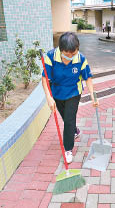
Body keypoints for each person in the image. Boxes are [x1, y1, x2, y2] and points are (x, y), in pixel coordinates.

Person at [42, 32, 99, 163]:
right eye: (67, 54)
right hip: (57, 92)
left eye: (73, 54)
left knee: (69, 119)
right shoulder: (51, 57)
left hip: (74, 91)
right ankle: (74, 130)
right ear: (61, 50)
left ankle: (68, 149)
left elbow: (88, 78)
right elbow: (45, 78)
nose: (71, 57)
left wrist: (93, 96)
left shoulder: (81, 58)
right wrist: (49, 98)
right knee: (66, 117)